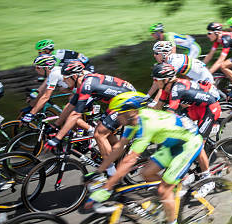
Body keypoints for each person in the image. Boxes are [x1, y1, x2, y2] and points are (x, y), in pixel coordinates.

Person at [86, 92, 204, 224]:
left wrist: (107, 187)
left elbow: (130, 160)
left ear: (129, 113)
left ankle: (172, 217)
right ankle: (174, 192)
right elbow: (119, 147)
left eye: (119, 113)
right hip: (173, 143)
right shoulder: (133, 122)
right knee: (146, 173)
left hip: (188, 144)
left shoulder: (147, 125)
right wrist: (98, 172)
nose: (117, 117)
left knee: (163, 189)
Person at [45, 61, 136, 176]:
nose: (63, 81)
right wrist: (56, 125)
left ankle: (112, 174)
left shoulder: (87, 84)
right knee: (104, 129)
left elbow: (75, 115)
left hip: (126, 102)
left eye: (65, 78)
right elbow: (71, 106)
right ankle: (124, 160)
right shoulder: (83, 82)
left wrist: (57, 138)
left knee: (99, 133)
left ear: (73, 76)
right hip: (118, 101)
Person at [152, 63, 219, 184]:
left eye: (157, 79)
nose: (155, 82)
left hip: (210, 108)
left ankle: (207, 179)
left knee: (197, 143)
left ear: (166, 79)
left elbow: (170, 114)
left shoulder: (177, 88)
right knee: (182, 134)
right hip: (196, 108)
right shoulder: (165, 88)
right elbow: (158, 108)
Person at [149, 41, 219, 104]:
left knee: (182, 98)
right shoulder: (169, 60)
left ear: (164, 53)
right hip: (196, 78)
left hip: (204, 80)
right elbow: (157, 80)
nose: (154, 55)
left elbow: (165, 84)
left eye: (156, 53)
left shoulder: (174, 63)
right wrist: (147, 96)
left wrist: (155, 102)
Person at [22, 54, 69, 123]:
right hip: (79, 91)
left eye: (38, 67)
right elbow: (42, 90)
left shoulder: (54, 74)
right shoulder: (52, 73)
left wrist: (31, 114)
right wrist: (33, 97)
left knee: (69, 115)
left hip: (83, 92)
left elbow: (46, 96)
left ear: (46, 68)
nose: (36, 69)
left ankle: (88, 130)